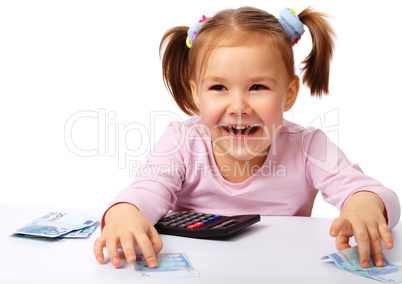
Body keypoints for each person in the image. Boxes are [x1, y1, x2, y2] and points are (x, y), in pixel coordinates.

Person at [93, 6, 401, 269]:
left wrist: (364, 204)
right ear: (196, 93)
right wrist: (125, 212)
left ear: (289, 93)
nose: (238, 106)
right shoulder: (182, 142)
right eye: (218, 88)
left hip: (280, 269)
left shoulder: (308, 146)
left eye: (258, 87)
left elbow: (367, 190)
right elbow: (149, 187)